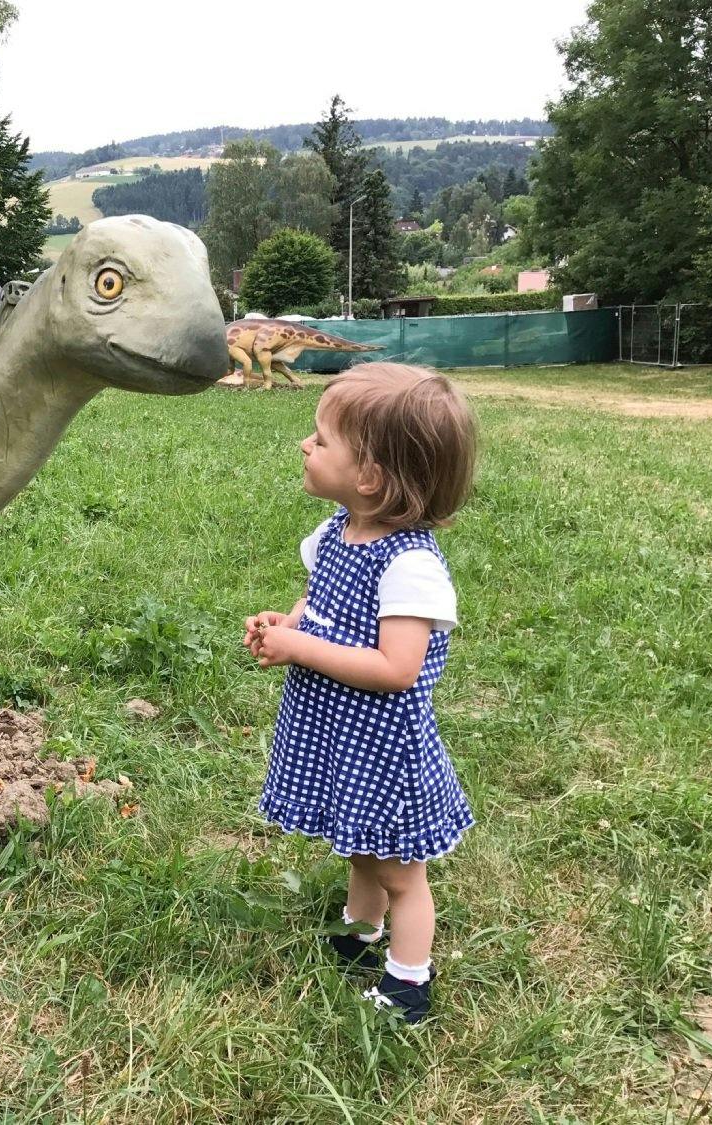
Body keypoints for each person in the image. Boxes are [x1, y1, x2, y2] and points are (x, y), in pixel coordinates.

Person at [243, 363, 477, 1023]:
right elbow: (319, 603)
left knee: (403, 870)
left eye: (319, 439)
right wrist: (287, 624)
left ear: (370, 476)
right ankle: (360, 926)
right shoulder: (337, 533)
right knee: (360, 841)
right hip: (340, 731)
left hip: (381, 743)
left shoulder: (410, 567)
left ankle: (408, 984)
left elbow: (397, 667)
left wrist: (301, 648)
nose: (304, 446)